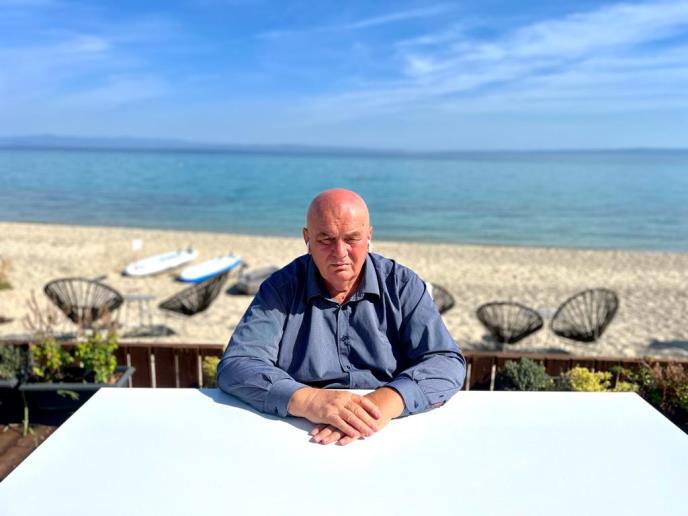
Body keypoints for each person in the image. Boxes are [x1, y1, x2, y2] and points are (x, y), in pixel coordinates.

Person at [217, 188, 465, 446]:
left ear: (369, 236)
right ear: (307, 238)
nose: (340, 252)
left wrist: (382, 402)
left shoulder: (402, 285)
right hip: (302, 433)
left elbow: (446, 361)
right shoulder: (281, 288)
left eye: (352, 239)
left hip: (388, 431)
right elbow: (237, 363)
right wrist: (309, 400)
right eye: (325, 239)